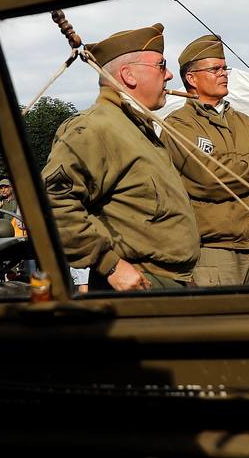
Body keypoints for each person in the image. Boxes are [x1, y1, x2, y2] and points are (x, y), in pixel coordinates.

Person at [42, 23, 199, 291]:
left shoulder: (134, 127)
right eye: (161, 65)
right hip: (136, 284)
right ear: (128, 75)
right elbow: (50, 205)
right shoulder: (94, 127)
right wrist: (110, 264)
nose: (170, 75)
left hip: (166, 282)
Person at [162, 34, 249, 286]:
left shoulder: (245, 121)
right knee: (222, 324)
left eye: (225, 68)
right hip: (215, 251)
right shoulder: (178, 124)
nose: (224, 73)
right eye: (215, 69)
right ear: (191, 78)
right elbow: (211, 176)